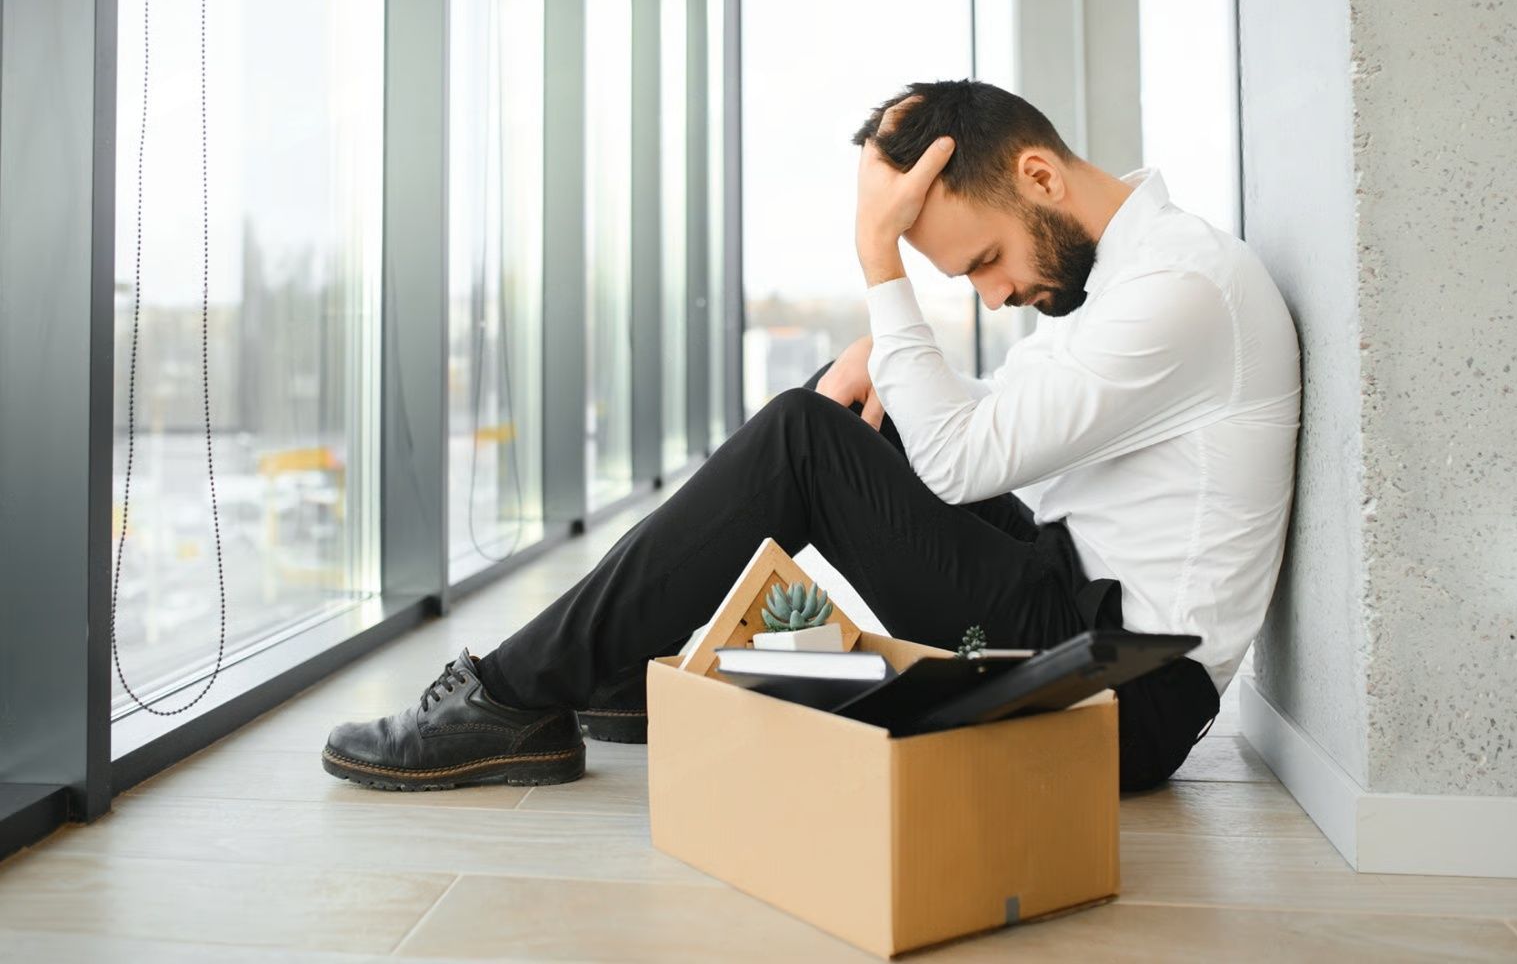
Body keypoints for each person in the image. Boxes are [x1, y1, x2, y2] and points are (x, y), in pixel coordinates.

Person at [322, 79, 1301, 793]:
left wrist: (878, 262)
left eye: (982, 262)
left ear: (1038, 173)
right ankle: (613, 674)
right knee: (845, 413)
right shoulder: (1139, 279)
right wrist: (874, 365)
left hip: (1121, 689)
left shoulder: (1179, 290)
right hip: (1075, 605)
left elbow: (962, 460)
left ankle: (503, 694)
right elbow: (967, 430)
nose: (995, 293)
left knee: (803, 436)